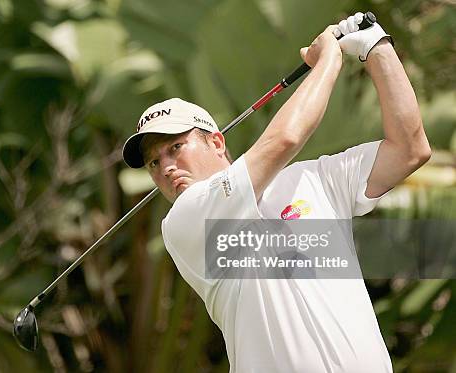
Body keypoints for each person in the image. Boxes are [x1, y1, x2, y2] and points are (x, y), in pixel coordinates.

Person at [122, 13, 430, 373]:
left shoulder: (313, 180)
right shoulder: (186, 220)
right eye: (154, 163)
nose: (166, 167)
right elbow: (286, 137)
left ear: (216, 142)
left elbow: (409, 150)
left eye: (175, 147)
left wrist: (377, 48)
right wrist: (329, 58)